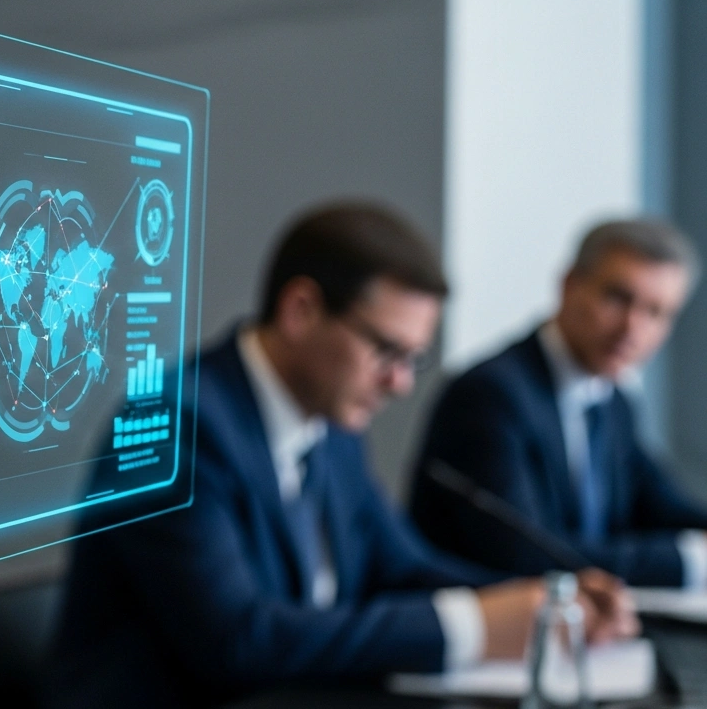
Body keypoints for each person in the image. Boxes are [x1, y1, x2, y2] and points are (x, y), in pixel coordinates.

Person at [49, 202, 637, 707]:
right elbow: (238, 640)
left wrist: (550, 600)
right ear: (301, 310)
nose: (401, 383)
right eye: (387, 350)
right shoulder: (171, 425)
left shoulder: (332, 419)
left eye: (414, 358)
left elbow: (399, 565)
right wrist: (474, 626)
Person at [411, 219, 707, 588]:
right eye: (617, 298)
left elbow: (662, 506)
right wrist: (688, 563)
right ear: (569, 284)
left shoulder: (614, 403)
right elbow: (527, 555)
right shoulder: (490, 395)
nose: (633, 328)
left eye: (656, 313)